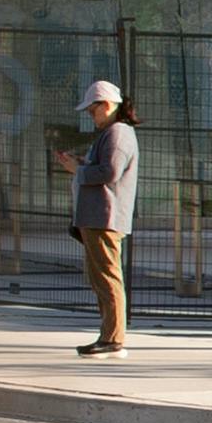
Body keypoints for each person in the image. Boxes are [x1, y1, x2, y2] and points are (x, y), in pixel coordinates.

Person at [66, 78, 138, 360]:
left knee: (108, 278)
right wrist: (81, 165)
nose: (91, 116)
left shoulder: (118, 133)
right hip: (98, 216)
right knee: (102, 278)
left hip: (105, 216)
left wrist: (78, 170)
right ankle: (108, 336)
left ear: (107, 106)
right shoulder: (113, 133)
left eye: (92, 110)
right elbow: (105, 169)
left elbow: (110, 172)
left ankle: (113, 339)